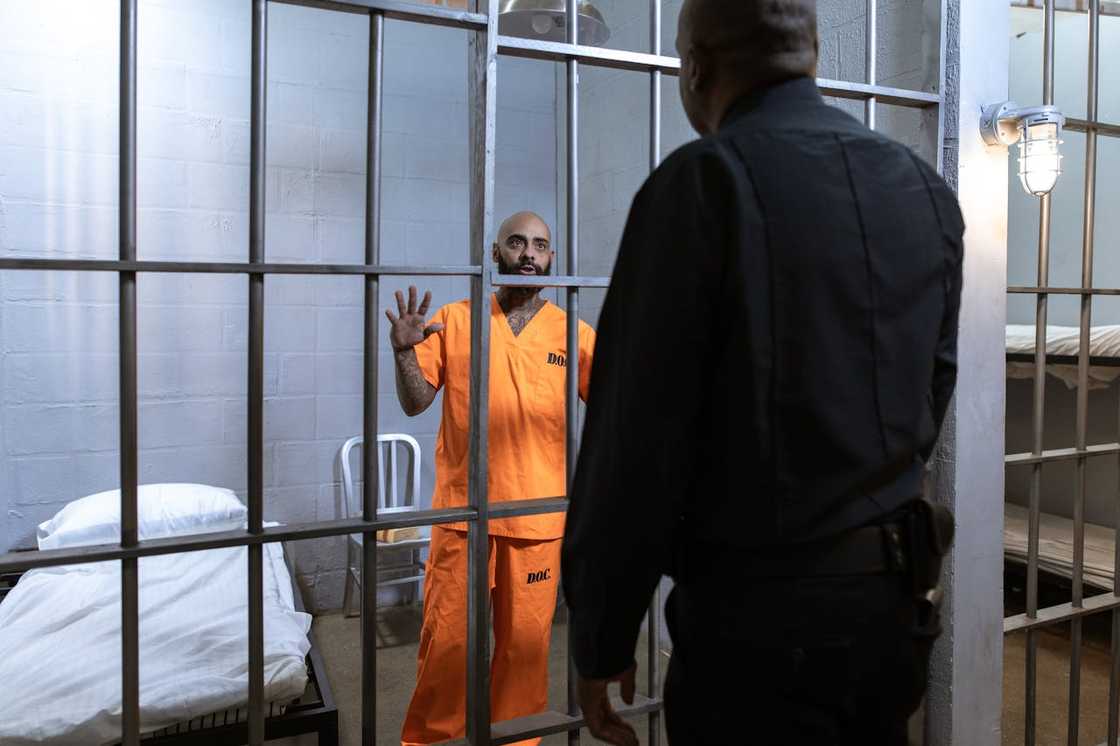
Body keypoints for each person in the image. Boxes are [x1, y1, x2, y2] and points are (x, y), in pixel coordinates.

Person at [560, 0, 964, 743]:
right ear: (810, 52)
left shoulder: (701, 185)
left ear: (695, 69)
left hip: (756, 631)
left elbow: (634, 444)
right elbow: (933, 390)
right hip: (892, 612)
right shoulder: (926, 191)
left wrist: (601, 633)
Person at [389, 211, 596, 746]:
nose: (530, 253)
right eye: (517, 242)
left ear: (552, 260)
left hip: (537, 522)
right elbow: (415, 402)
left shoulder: (573, 331)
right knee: (449, 647)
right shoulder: (457, 321)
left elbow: (620, 406)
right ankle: (430, 741)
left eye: (541, 246)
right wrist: (403, 352)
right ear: (495, 253)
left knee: (523, 654)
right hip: (463, 518)